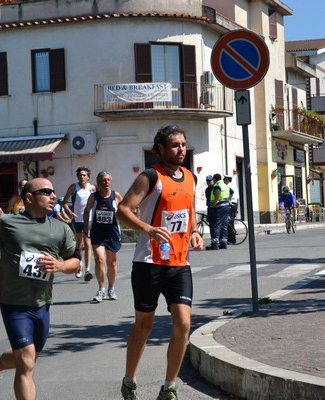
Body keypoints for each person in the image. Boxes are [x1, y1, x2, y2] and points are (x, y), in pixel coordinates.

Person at [116, 124, 203, 400]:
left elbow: (190, 211)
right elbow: (123, 211)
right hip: (149, 262)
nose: (181, 150)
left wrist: (196, 232)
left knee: (184, 323)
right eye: (175, 145)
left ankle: (169, 387)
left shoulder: (190, 177)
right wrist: (148, 229)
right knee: (144, 325)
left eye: (183, 144)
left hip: (179, 263)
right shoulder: (150, 176)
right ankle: (129, 380)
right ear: (161, 149)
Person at [0, 178, 80, 399]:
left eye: (54, 192)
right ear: (29, 197)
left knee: (29, 356)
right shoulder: (7, 222)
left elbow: (76, 261)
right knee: (27, 361)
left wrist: (60, 265)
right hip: (13, 303)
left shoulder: (60, 227)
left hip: (42, 303)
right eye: (46, 192)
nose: (53, 196)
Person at [83, 170, 123, 302]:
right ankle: (101, 289)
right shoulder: (94, 197)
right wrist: (86, 227)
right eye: (103, 180)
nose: (106, 182)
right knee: (99, 259)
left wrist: (120, 213)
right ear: (99, 183)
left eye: (108, 180)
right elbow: (87, 210)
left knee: (112, 263)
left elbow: (125, 209)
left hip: (112, 233)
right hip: (98, 232)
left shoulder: (115, 195)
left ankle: (111, 288)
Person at [63, 167, 96, 281]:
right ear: (78, 177)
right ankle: (79, 265)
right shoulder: (73, 187)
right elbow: (64, 202)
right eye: (80, 175)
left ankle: (87, 270)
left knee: (88, 244)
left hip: (89, 219)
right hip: (76, 220)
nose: (82, 177)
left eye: (84, 175)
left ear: (88, 177)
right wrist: (69, 212)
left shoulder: (92, 188)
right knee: (79, 245)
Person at [206, 173, 231, 250]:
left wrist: (215, 202)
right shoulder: (225, 185)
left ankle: (215, 243)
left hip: (219, 207)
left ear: (214, 179)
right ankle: (223, 242)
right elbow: (230, 193)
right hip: (226, 206)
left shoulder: (217, 185)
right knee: (224, 224)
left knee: (216, 224)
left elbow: (217, 191)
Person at [224, 174, 238, 244]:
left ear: (227, 179)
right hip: (235, 204)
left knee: (228, 222)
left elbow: (231, 194)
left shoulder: (228, 186)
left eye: (224, 179)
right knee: (231, 222)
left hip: (230, 204)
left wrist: (228, 199)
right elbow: (237, 198)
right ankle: (231, 239)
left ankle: (231, 239)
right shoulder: (235, 186)